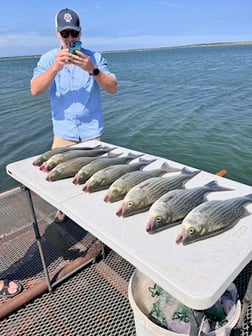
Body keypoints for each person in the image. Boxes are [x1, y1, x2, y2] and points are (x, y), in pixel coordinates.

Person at [30, 8, 117, 222]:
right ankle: (64, 211)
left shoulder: (94, 58)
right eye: (65, 34)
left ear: (80, 33)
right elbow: (35, 90)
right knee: (57, 181)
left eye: (74, 34)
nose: (70, 39)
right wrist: (54, 68)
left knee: (93, 180)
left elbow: (113, 87)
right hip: (63, 133)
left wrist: (93, 69)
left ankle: (92, 216)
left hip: (91, 134)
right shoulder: (48, 59)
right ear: (57, 33)